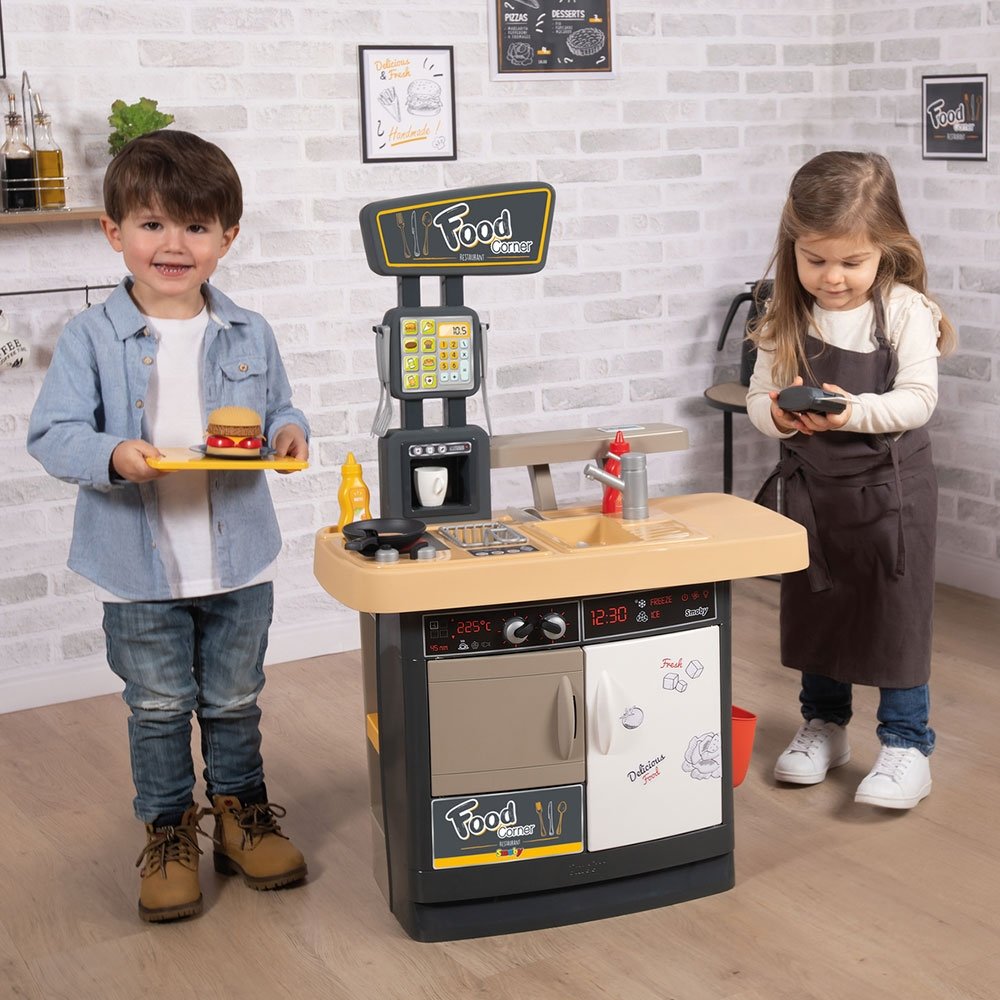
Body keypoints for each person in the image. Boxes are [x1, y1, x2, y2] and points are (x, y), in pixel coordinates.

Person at [27, 129, 311, 921]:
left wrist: (290, 431)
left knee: (235, 699)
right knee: (157, 708)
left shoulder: (250, 331)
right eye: (152, 224)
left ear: (228, 236)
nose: (174, 244)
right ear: (114, 232)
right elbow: (53, 434)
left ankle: (242, 818)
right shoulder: (90, 337)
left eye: (195, 226)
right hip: (136, 567)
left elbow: (278, 408)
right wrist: (115, 454)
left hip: (238, 560)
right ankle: (168, 831)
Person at [746, 150, 956, 810]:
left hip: (892, 499)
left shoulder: (905, 310)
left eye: (851, 262)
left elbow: (918, 400)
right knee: (821, 607)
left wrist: (850, 411)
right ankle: (824, 725)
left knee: (895, 615)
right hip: (816, 494)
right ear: (793, 248)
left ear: (886, 250)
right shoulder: (785, 313)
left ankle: (906, 742)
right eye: (815, 260)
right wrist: (779, 416)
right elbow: (757, 399)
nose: (831, 278)